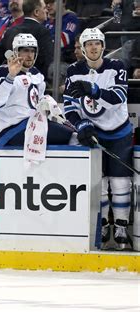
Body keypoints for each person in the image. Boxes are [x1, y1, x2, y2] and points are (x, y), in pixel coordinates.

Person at [63, 28, 132, 250]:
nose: (94, 47)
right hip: (95, 132)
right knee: (99, 182)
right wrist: (81, 124)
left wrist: (93, 89)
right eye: (89, 44)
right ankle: (102, 224)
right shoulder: (74, 71)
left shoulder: (116, 67)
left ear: (103, 46)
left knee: (120, 181)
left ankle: (121, 226)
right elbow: (69, 106)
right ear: (82, 49)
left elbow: (118, 98)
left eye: (98, 43)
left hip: (119, 131)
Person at [0, 33, 73, 147]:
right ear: (15, 52)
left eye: (32, 51)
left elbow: (38, 99)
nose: (30, 55)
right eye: (25, 51)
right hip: (11, 130)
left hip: (33, 124)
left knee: (72, 133)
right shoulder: (4, 72)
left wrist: (46, 104)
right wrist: (11, 76)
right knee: (71, 136)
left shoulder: (36, 73)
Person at [0, 0, 54, 78]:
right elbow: (47, 61)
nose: (46, 10)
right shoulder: (43, 32)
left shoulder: (10, 30)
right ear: (36, 12)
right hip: (33, 80)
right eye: (44, 8)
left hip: (10, 77)